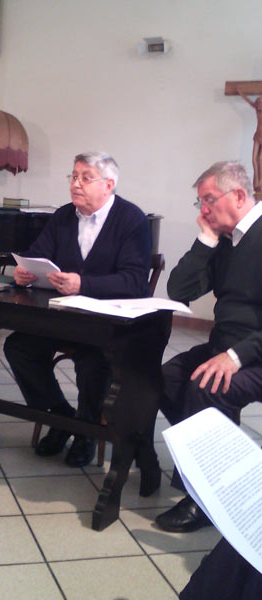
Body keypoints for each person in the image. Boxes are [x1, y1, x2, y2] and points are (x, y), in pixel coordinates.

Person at [4, 151, 153, 473]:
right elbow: (37, 255)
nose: (76, 184)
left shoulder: (132, 220)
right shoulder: (63, 216)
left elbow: (134, 281)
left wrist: (83, 284)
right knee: (18, 347)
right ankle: (59, 418)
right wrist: (23, 272)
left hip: (107, 325)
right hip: (63, 319)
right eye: (73, 176)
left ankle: (87, 430)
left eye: (86, 178)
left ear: (108, 185)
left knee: (93, 361)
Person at [155, 161, 262, 532]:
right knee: (165, 380)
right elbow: (178, 291)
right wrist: (205, 240)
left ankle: (203, 498)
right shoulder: (226, 241)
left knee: (208, 386)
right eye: (200, 202)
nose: (203, 210)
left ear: (239, 195)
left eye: (209, 200)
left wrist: (236, 357)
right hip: (227, 347)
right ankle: (222, 469)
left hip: (254, 354)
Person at [237, 89, 262, 192]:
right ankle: (256, 182)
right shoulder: (256, 109)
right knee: (254, 159)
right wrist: (240, 92)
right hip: (257, 136)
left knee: (260, 159)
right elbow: (248, 101)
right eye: (258, 103)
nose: (259, 105)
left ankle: (260, 182)